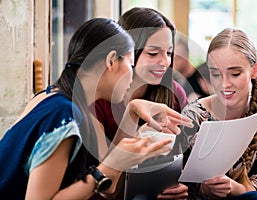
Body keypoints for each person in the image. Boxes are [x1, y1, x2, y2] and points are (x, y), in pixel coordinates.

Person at [0, 18, 193, 199]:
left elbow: (108, 187)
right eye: (130, 64)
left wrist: (132, 111)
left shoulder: (52, 96)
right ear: (111, 61)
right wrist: (108, 168)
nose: (132, 76)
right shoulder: (65, 114)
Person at [90, 7, 190, 200]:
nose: (164, 62)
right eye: (153, 53)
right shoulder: (100, 100)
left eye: (169, 53)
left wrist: (180, 187)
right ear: (127, 52)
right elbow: (105, 184)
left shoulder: (174, 93)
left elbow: (184, 159)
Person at [181, 28, 257, 199]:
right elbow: (183, 186)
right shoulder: (193, 115)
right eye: (215, 74)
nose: (224, 84)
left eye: (235, 74)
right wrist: (207, 189)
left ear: (255, 70)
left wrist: (232, 187)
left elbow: (256, 187)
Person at [173, 37, 211, 101]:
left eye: (177, 58)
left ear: (186, 56)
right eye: (171, 57)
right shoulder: (177, 81)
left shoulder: (201, 77)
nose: (173, 62)